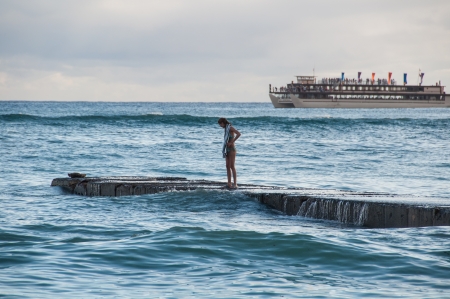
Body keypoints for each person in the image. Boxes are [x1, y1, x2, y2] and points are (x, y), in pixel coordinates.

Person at [218, 118, 241, 189]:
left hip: (232, 149)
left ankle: (235, 184)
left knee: (232, 166)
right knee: (227, 166)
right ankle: (229, 183)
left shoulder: (230, 128)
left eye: (220, 124)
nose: (220, 126)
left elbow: (239, 134)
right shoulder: (226, 129)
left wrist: (232, 142)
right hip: (227, 149)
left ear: (223, 123)